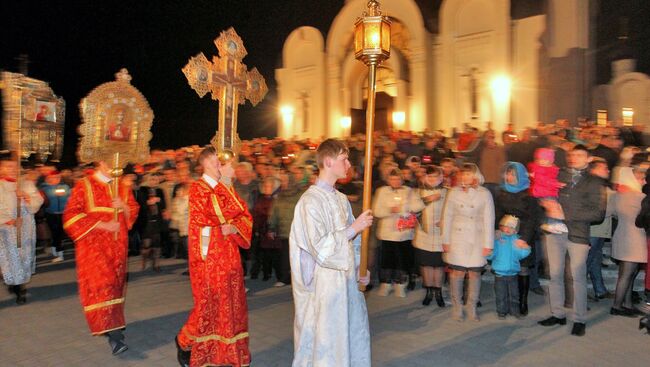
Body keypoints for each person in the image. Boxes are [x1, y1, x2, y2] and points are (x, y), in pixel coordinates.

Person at [289, 138, 373, 367]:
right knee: (325, 341)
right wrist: (354, 228)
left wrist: (359, 267)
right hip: (324, 286)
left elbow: (354, 243)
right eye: (344, 159)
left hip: (345, 282)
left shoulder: (341, 199)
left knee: (347, 336)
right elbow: (320, 249)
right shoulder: (309, 202)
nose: (348, 165)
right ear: (328, 161)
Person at [175, 147, 253, 367]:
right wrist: (225, 224)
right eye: (220, 162)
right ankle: (184, 341)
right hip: (209, 258)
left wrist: (235, 228)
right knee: (209, 306)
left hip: (230, 254)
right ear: (209, 163)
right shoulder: (198, 189)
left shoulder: (225, 187)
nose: (224, 166)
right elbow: (209, 217)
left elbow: (244, 215)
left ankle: (233, 352)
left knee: (233, 304)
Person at [63, 160, 139, 354]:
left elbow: (133, 213)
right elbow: (71, 216)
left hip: (118, 247)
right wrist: (103, 225)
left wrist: (122, 206)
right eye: (106, 160)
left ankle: (112, 325)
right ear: (99, 162)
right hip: (93, 248)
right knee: (102, 287)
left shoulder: (121, 185)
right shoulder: (84, 185)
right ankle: (115, 336)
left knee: (115, 287)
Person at [538, 145, 606, 337]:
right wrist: (545, 202)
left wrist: (565, 213)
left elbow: (598, 213)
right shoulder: (558, 175)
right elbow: (543, 192)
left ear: (588, 159)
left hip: (578, 234)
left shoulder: (594, 181)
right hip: (554, 232)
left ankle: (579, 318)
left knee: (577, 277)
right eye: (572, 154)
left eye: (579, 155)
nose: (574, 158)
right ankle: (558, 313)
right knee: (555, 274)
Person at [442, 163, 494, 322]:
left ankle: (471, 306)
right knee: (457, 272)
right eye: (463, 174)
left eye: (468, 174)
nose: (465, 177)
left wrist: (488, 244)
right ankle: (457, 307)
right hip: (457, 237)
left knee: (474, 273)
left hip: (477, 238)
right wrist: (445, 240)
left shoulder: (484, 193)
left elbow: (489, 219)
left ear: (475, 176)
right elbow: (447, 217)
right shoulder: (453, 192)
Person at [494, 162, 540, 316]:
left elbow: (533, 219)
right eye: (508, 174)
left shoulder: (529, 195)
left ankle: (522, 301)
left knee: (523, 268)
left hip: (522, 235)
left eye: (513, 174)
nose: (509, 177)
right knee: (507, 268)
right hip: (505, 236)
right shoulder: (501, 193)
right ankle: (506, 302)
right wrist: (497, 230)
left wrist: (524, 239)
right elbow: (497, 214)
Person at [373, 168, 424, 297]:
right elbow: (377, 211)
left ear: (402, 179)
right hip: (387, 232)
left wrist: (403, 208)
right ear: (388, 180)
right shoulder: (382, 191)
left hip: (404, 233)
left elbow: (419, 206)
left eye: (398, 179)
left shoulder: (409, 191)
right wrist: (391, 210)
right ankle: (386, 283)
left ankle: (400, 284)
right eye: (392, 179)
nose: (395, 181)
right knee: (387, 260)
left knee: (402, 260)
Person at [0, 159, 44, 304]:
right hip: (6, 229)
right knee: (11, 258)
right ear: (1, 168)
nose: (12, 169)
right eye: (8, 166)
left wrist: (26, 197)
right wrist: (8, 220)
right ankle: (18, 287)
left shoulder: (26, 183)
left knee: (23, 256)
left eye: (15, 166)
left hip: (25, 227)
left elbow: (38, 200)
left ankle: (19, 285)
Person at [610, 166, 648, 317]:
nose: (644, 181)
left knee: (628, 272)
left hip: (622, 235)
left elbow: (611, 213)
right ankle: (617, 306)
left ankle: (627, 303)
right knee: (627, 274)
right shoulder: (639, 197)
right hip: (635, 238)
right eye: (640, 178)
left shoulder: (617, 195)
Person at [412, 165, 447, 307]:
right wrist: (428, 199)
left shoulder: (447, 192)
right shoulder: (418, 192)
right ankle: (428, 291)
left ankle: (438, 292)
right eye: (430, 176)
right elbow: (412, 208)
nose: (432, 179)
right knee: (426, 265)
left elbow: (452, 211)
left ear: (441, 178)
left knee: (438, 265)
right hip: (423, 235)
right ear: (425, 177)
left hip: (440, 235)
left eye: (436, 176)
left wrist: (445, 221)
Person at [488, 215, 531, 319]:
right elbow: (492, 254)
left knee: (514, 294)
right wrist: (488, 253)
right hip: (500, 274)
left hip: (513, 274)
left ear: (515, 230)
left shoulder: (516, 240)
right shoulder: (497, 239)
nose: (508, 229)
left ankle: (515, 311)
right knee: (501, 295)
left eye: (512, 227)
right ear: (501, 226)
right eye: (506, 226)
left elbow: (521, 254)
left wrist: (526, 248)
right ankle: (501, 311)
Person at [528, 148, 567, 234]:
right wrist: (556, 184)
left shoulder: (552, 169)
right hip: (542, 192)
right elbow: (542, 180)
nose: (542, 162)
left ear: (551, 161)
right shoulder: (538, 169)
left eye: (545, 160)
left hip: (548, 191)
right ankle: (555, 223)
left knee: (553, 208)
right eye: (539, 159)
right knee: (553, 206)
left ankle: (549, 224)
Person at [40, 170, 71, 263]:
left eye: (58, 177)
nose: (56, 179)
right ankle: (56, 250)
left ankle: (59, 253)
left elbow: (69, 197)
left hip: (63, 213)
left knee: (59, 233)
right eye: (53, 177)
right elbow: (45, 198)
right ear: (48, 178)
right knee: (54, 232)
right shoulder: (44, 188)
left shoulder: (65, 186)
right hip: (51, 213)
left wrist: (66, 195)